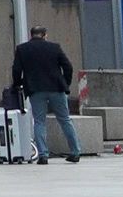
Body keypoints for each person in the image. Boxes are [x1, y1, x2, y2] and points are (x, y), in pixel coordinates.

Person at [11, 26, 82, 164]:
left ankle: (43, 154)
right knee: (65, 119)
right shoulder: (55, 47)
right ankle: (75, 152)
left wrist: (18, 84)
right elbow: (68, 66)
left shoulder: (22, 49)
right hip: (57, 88)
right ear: (44, 35)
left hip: (36, 90)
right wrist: (65, 83)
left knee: (39, 121)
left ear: (31, 35)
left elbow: (16, 69)